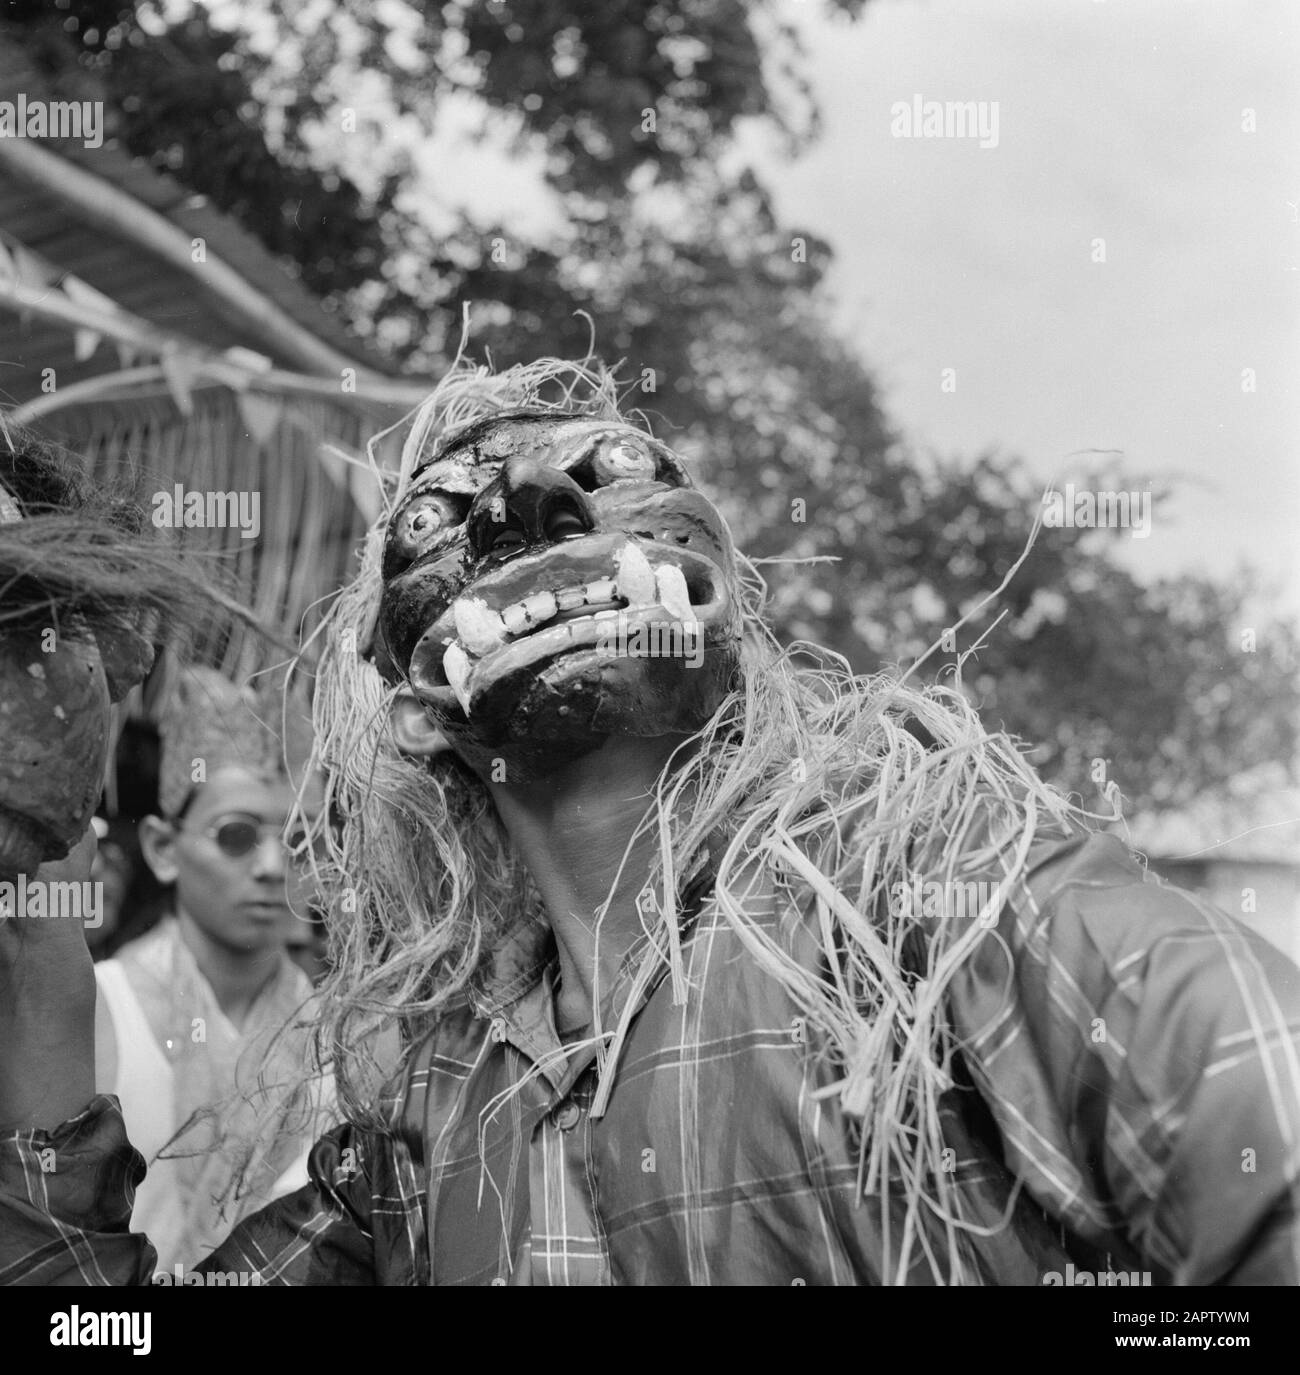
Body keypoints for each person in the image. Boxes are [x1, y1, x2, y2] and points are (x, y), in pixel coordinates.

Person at [1, 362, 1297, 1285]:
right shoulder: (429, 1118)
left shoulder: (955, 932)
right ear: (416, 714)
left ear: (730, 609)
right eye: (438, 522)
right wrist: (45, 977)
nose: (532, 506)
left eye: (615, 471)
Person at [93, 666, 329, 1274]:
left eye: (299, 839)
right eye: (237, 836)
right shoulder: (100, 1008)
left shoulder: (342, 1036)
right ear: (163, 849)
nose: (274, 866)